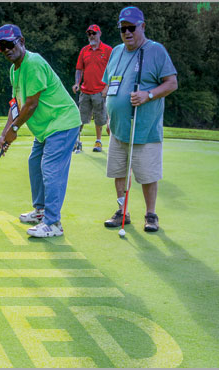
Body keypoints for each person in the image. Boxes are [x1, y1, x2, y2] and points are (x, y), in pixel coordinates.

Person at [0, 24, 81, 238]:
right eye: (1, 46)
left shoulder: (32, 63)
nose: (6, 49)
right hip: (46, 128)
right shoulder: (14, 69)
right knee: (35, 163)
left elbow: (31, 104)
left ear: (21, 41)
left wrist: (14, 129)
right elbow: (16, 103)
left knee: (50, 169)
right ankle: (41, 211)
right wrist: (5, 131)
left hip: (62, 122)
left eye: (10, 44)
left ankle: (53, 224)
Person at [102, 6, 178, 232]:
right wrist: (109, 116)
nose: (127, 33)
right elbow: (110, 86)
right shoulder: (116, 51)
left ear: (142, 27)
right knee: (118, 173)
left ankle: (151, 214)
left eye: (131, 28)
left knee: (146, 175)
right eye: (123, 28)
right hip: (118, 128)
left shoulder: (155, 51)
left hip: (144, 128)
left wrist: (149, 94)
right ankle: (122, 212)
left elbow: (171, 83)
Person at [72, 24, 113, 153]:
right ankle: (76, 141)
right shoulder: (84, 50)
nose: (91, 36)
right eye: (89, 34)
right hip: (85, 90)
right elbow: (79, 69)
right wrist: (77, 83)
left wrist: (107, 86)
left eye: (93, 33)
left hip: (100, 91)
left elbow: (113, 70)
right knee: (81, 118)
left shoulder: (108, 50)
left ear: (99, 34)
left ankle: (98, 141)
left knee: (100, 118)